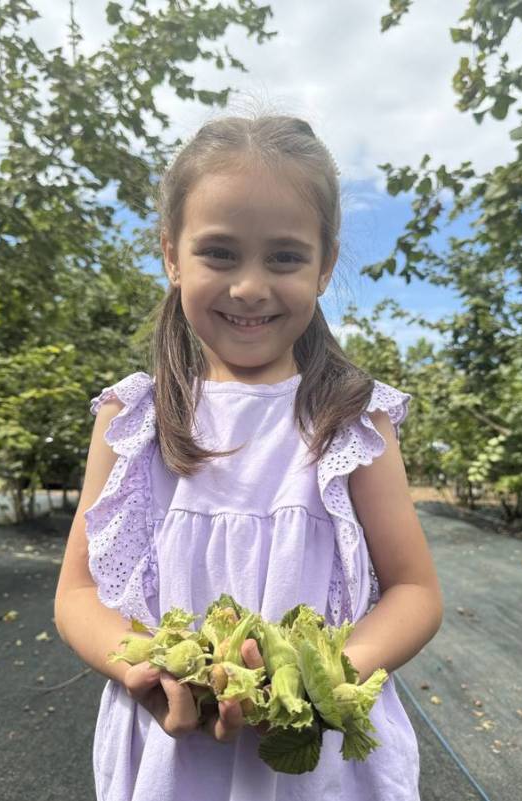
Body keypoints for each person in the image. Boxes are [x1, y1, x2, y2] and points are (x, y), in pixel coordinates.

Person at [54, 113, 444, 800]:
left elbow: (414, 591)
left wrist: (315, 678)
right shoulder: (132, 419)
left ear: (325, 265)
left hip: (315, 757)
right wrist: (144, 671)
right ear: (172, 254)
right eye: (220, 254)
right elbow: (79, 592)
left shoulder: (353, 418)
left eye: (286, 257)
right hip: (172, 752)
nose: (251, 287)